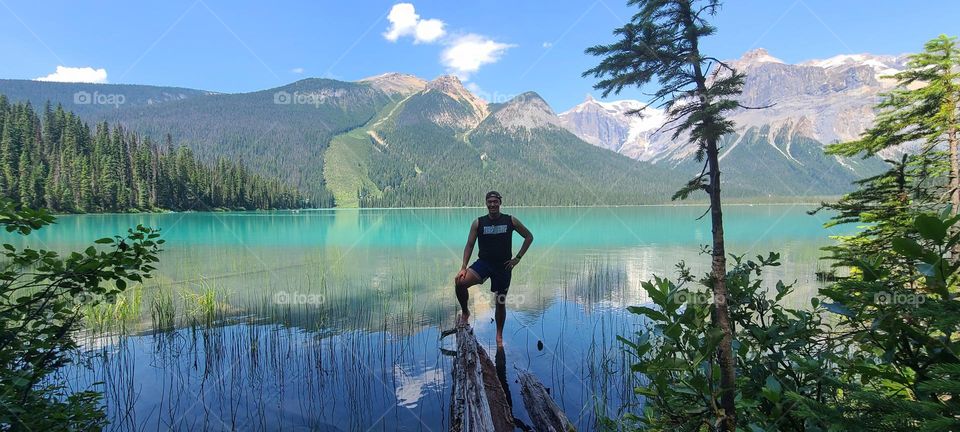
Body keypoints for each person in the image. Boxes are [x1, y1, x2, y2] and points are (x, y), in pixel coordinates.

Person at [454, 191, 533, 346]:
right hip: (483, 264)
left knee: (500, 302)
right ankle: (465, 312)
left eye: (495, 201)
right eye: (489, 202)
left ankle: (499, 337)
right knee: (460, 282)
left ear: (499, 203)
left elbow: (529, 237)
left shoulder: (510, 220)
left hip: (503, 266)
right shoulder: (478, 223)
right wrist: (463, 267)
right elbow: (470, 245)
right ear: (486, 203)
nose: (492, 204)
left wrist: (517, 258)